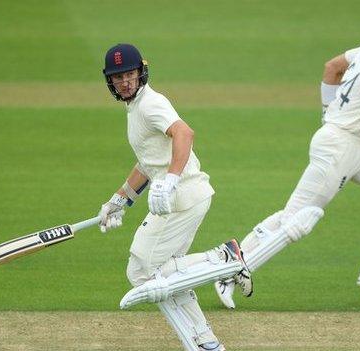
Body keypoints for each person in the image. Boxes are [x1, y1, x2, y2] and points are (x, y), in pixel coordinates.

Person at [214, 1, 360, 309]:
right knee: (297, 219)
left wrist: (329, 112)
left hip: (357, 145)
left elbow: (331, 68)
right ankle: (230, 269)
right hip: (339, 147)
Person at [97, 43, 252, 351]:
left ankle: (222, 257)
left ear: (141, 72)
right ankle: (206, 341)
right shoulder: (135, 109)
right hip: (174, 198)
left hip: (181, 197)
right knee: (166, 275)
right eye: (118, 77)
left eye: (130, 74)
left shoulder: (150, 104)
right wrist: (120, 200)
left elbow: (184, 133)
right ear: (110, 81)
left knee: (143, 272)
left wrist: (170, 180)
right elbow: (148, 161)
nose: (125, 82)